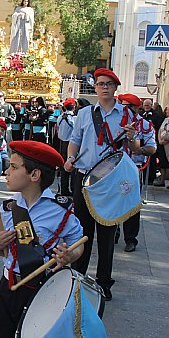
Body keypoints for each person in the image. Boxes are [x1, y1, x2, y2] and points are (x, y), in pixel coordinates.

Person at [0, 140, 83, 338]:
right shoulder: (10, 207)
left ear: (34, 174)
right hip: (8, 289)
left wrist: (69, 256)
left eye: (13, 167)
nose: (7, 172)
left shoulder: (60, 210)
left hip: (42, 294)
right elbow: (4, 253)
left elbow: (78, 242)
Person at [63, 68, 139, 301]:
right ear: (95, 87)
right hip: (84, 176)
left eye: (108, 84)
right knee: (82, 231)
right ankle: (78, 279)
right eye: (100, 84)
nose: (104, 87)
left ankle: (104, 283)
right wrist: (70, 158)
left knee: (107, 233)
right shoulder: (85, 113)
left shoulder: (126, 114)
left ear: (115, 87)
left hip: (110, 180)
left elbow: (135, 148)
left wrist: (131, 138)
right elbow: (74, 141)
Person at [118, 94, 157, 253]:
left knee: (132, 204)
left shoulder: (145, 125)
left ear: (135, 109)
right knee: (112, 201)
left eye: (126, 107)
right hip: (113, 168)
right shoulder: (114, 121)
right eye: (122, 106)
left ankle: (130, 238)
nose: (123, 110)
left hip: (133, 167)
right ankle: (112, 232)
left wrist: (139, 149)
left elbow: (152, 148)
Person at [139, 98, 164, 184]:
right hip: (141, 141)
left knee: (151, 161)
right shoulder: (140, 114)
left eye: (148, 105)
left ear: (151, 105)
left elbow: (158, 127)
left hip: (151, 141)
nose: (146, 107)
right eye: (145, 105)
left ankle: (150, 178)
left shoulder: (156, 115)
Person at [56, 98, 76, 196]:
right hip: (71, 144)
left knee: (64, 167)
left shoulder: (60, 117)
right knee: (72, 166)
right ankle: (72, 188)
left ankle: (64, 189)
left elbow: (57, 130)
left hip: (62, 143)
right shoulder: (74, 118)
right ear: (74, 107)